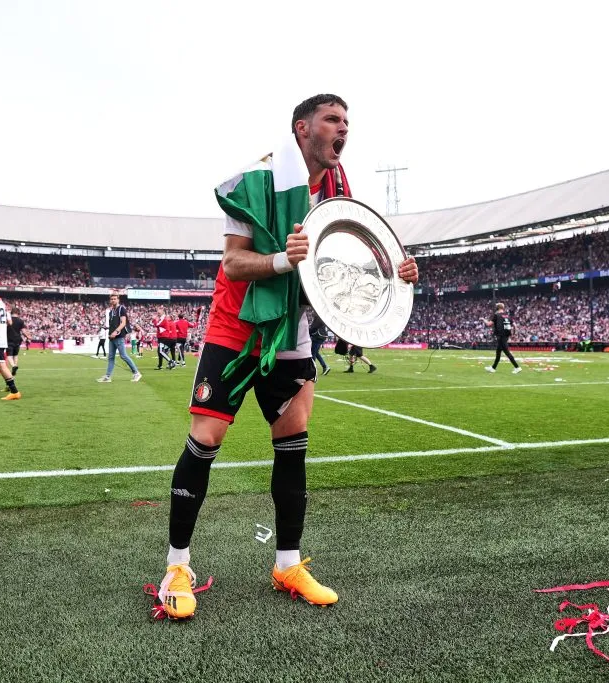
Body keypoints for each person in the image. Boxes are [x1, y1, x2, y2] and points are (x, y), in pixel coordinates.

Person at [155, 94, 419, 619]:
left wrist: (394, 270)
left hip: (292, 330)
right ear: (303, 127)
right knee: (205, 441)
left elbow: (341, 268)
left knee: (293, 445)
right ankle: (176, 565)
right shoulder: (254, 181)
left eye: (347, 122)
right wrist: (280, 258)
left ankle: (287, 563)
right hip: (237, 329)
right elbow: (232, 264)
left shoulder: (339, 192)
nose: (343, 129)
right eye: (333, 120)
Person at [97, 294, 142, 383]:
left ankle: (136, 373)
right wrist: (108, 329)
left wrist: (115, 332)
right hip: (112, 337)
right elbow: (113, 324)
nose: (113, 300)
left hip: (118, 336)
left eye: (115, 299)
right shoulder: (111, 312)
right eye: (112, 299)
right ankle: (108, 376)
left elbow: (123, 323)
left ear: (118, 300)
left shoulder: (121, 309)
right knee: (111, 357)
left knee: (123, 355)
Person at [483, 302, 521, 374]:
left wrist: (483, 320)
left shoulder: (496, 315)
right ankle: (493, 368)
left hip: (501, 336)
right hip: (506, 336)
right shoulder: (507, 315)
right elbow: (515, 326)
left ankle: (517, 367)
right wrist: (514, 333)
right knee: (498, 352)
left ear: (497, 308)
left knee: (507, 352)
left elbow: (489, 324)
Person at [6, 306, 28, 375]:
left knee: (9, 355)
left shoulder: (8, 320)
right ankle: (14, 370)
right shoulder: (20, 321)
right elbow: (24, 331)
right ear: (18, 312)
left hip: (9, 339)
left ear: (11, 312)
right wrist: (28, 336)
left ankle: (14, 366)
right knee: (15, 355)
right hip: (17, 340)